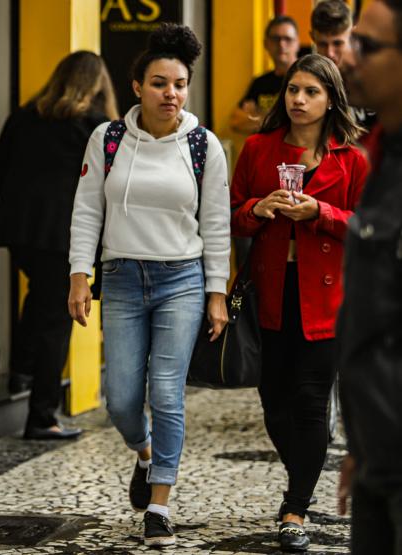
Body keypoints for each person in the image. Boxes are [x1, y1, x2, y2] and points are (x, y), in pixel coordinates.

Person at [68, 24, 230, 548]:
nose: (171, 94)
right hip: (120, 277)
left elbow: (217, 224)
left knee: (165, 392)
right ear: (136, 86)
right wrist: (79, 274)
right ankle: (144, 454)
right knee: (119, 399)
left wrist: (216, 292)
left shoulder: (205, 147)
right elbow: (87, 209)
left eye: (180, 84)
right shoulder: (108, 139)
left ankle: (159, 504)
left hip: (180, 278)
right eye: (160, 83)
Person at [230, 54, 367, 552]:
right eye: (293, 90)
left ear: (331, 98)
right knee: (275, 403)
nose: (299, 100)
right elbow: (229, 216)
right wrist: (257, 208)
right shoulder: (258, 149)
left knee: (311, 403)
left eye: (311, 91)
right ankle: (304, 474)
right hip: (272, 292)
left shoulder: (351, 159)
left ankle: (296, 506)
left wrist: (321, 211)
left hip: (327, 298)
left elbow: (367, 227)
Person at [0, 51, 118, 440]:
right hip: (64, 236)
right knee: (56, 322)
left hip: (21, 231)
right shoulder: (95, 127)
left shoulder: (24, 116)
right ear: (98, 84)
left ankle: (21, 372)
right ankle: (41, 416)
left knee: (41, 299)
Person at [335, 0, 402, 552]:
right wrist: (360, 443)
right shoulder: (384, 160)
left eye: (369, 47)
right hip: (380, 459)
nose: (349, 58)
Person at [311, 0, 378, 131]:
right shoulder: (306, 82)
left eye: (337, 43)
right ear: (312, 38)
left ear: (353, 36)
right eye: (323, 44)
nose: (330, 53)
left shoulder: (375, 79)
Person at [230, 16, 300, 135]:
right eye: (275, 39)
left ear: (297, 43)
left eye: (287, 39)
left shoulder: (307, 78)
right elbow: (236, 121)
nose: (281, 44)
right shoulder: (260, 82)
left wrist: (258, 115)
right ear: (266, 43)